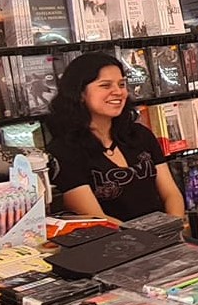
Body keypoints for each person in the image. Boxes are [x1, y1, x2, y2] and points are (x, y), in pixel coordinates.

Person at [47, 52, 185, 223]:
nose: (118, 92)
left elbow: (171, 194)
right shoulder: (64, 151)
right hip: (116, 243)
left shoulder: (140, 135)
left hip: (165, 235)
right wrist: (149, 240)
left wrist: (173, 226)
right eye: (105, 85)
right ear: (80, 93)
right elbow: (97, 218)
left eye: (121, 84)